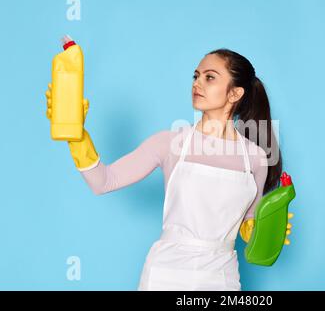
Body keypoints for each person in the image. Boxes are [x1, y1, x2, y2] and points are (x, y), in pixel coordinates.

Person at [44, 48, 293, 290]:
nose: (197, 84)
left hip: (221, 276)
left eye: (209, 77)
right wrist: (77, 137)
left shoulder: (256, 158)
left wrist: (266, 228)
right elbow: (103, 181)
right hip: (165, 274)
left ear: (235, 93)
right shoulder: (170, 144)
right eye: (196, 76)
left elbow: (248, 221)